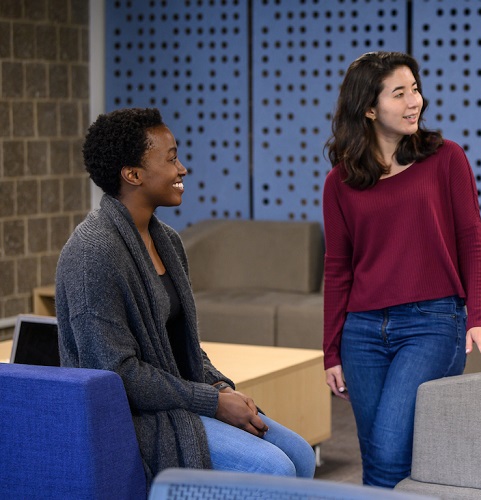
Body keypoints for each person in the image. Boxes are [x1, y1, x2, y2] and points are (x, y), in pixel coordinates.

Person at [55, 108, 316, 488]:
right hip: (135, 418)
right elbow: (118, 375)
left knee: (302, 456)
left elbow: (184, 347)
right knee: (274, 469)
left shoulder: (168, 241)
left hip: (180, 399)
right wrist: (210, 402)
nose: (183, 169)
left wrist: (221, 388)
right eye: (171, 158)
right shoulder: (91, 253)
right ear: (133, 174)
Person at [322, 51, 481, 488]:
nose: (414, 102)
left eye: (416, 89)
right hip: (362, 332)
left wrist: (479, 314)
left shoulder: (445, 159)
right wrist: (331, 350)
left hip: (432, 324)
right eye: (399, 93)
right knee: (377, 459)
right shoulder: (341, 181)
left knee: (389, 448)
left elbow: (471, 240)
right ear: (369, 107)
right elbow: (338, 269)